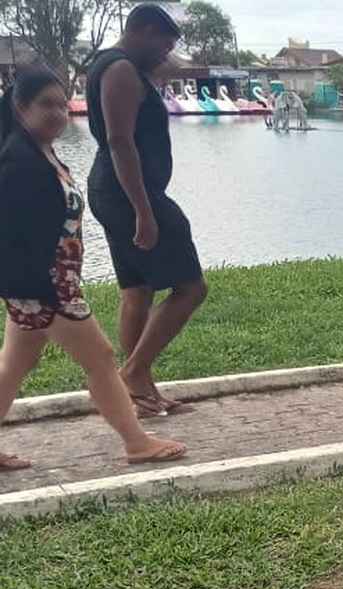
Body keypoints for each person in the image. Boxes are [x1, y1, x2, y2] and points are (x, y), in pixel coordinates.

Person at [0, 67, 187, 470]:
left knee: (14, 364)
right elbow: (11, 236)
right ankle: (137, 442)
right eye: (45, 105)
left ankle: (137, 440)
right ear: (20, 108)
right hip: (45, 287)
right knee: (101, 357)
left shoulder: (39, 151)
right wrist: (39, 289)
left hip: (47, 283)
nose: (57, 113)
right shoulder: (18, 162)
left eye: (62, 105)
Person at [86, 3, 207, 418]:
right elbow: (120, 141)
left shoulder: (115, 64)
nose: (165, 54)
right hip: (129, 193)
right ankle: (133, 373)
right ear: (142, 30)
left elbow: (170, 66)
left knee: (137, 290)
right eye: (163, 44)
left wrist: (169, 57)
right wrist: (144, 210)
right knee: (191, 288)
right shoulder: (120, 70)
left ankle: (140, 389)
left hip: (114, 190)